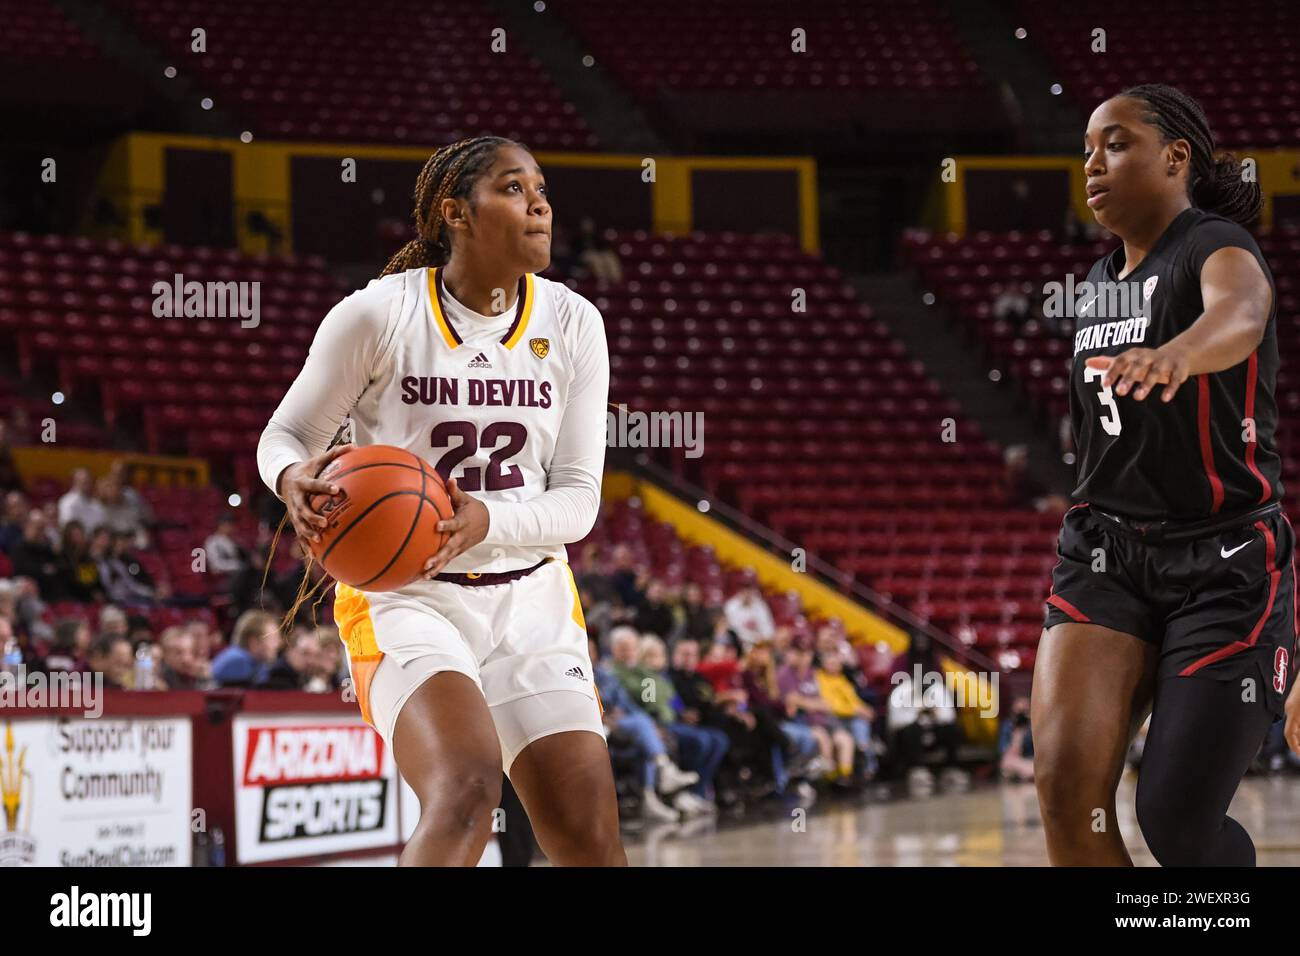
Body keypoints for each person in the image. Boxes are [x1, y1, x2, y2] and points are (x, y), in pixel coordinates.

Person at [257, 136, 622, 866]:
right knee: (464, 788)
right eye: (514, 189)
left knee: (590, 842)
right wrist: (290, 476)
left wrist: (488, 520)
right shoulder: (376, 316)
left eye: (541, 189)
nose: (541, 204)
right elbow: (288, 434)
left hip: (533, 599)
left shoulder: (574, 322)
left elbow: (579, 501)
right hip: (405, 595)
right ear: (455, 212)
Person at [1036, 84, 1298, 867]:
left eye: (1115, 143)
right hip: (1105, 554)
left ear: (1176, 157)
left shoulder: (1215, 243)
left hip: (1223, 560)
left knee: (1176, 820)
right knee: (1063, 788)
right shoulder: (1095, 283)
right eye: (1086, 148)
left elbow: (1241, 314)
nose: (1093, 162)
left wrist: (1181, 352)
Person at [211, 609, 282, 687]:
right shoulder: (238, 661)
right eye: (272, 638)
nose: (279, 643)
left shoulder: (260, 664)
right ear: (254, 642)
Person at [722, 578, 775, 649]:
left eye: (749, 590)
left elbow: (768, 627)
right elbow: (733, 631)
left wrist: (764, 640)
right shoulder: (731, 606)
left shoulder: (760, 605)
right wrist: (752, 640)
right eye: (744, 590)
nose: (747, 593)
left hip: (760, 644)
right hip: (739, 644)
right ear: (739, 591)